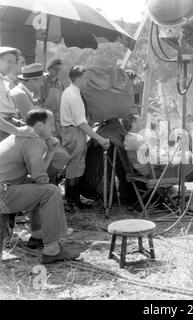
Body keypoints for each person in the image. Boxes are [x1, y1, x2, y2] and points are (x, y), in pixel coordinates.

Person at [0, 109, 78, 264]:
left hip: (5, 189)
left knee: (38, 188)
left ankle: (38, 234)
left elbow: (36, 177)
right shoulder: (33, 140)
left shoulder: (19, 137)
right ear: (40, 125)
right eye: (52, 124)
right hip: (2, 193)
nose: (54, 129)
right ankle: (52, 250)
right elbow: (40, 179)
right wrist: (50, 152)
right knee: (51, 191)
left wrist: (50, 152)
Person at [124, 114, 193, 211]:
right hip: (158, 173)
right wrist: (169, 157)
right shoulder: (137, 139)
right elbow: (153, 159)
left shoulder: (131, 138)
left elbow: (149, 156)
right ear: (134, 124)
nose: (143, 122)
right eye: (140, 120)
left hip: (155, 170)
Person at [60, 65, 110, 211]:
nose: (88, 81)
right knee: (75, 166)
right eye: (86, 78)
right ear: (80, 78)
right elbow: (81, 123)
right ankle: (71, 202)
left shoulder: (69, 91)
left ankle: (74, 200)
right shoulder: (74, 96)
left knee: (75, 165)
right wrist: (99, 138)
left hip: (71, 131)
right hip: (74, 132)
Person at [0, 47, 37, 142]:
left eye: (14, 62)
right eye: (9, 61)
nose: (12, 65)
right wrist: (17, 130)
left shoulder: (4, 81)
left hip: (8, 123)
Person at [40, 59, 66, 139]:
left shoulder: (61, 85)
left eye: (59, 69)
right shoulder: (41, 81)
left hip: (57, 120)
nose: (57, 71)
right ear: (49, 69)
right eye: (55, 69)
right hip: (44, 118)